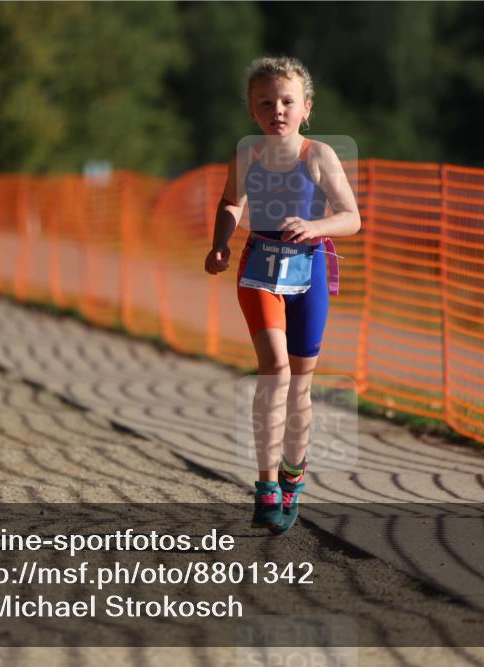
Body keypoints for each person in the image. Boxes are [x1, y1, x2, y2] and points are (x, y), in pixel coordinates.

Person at [204, 56, 360, 534]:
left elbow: (351, 217)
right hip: (259, 269)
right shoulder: (247, 155)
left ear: (306, 108)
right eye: (266, 103)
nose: (277, 110)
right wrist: (219, 242)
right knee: (275, 370)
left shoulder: (319, 156)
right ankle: (266, 485)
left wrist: (314, 227)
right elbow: (232, 201)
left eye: (287, 101)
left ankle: (294, 476)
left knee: (300, 387)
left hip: (308, 271)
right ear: (253, 112)